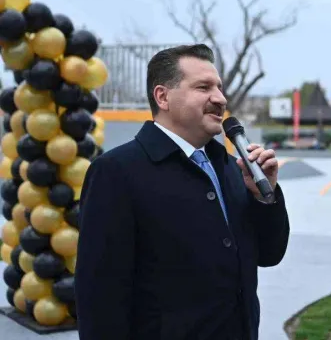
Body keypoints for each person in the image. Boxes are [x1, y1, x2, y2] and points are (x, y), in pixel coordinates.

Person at [75, 44, 290, 340]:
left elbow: (268, 254)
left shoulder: (231, 167)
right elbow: (100, 297)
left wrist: (265, 196)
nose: (220, 98)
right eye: (203, 87)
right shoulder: (116, 172)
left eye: (219, 87)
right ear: (163, 96)